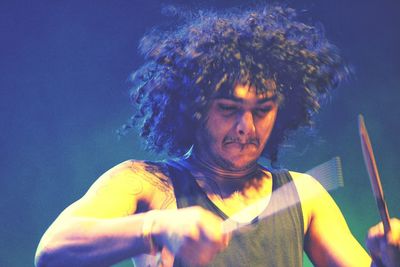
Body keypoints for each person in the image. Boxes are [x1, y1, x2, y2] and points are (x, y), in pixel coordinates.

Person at [35, 4, 400, 267]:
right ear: (194, 108)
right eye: (228, 109)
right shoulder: (145, 184)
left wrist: (388, 259)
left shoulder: (304, 195)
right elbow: (52, 251)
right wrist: (157, 226)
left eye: (262, 110)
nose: (246, 126)